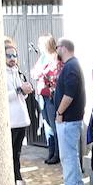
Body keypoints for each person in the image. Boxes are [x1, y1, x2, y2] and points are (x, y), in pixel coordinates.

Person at [51, 37, 86, 185]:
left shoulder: (71, 67)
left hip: (68, 119)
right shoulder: (72, 65)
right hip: (72, 119)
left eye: (57, 47)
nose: (56, 50)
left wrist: (59, 113)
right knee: (72, 154)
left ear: (63, 48)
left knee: (68, 156)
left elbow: (69, 95)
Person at [3, 37, 37, 185]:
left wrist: (24, 90)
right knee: (9, 156)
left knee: (17, 155)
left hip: (20, 119)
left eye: (14, 55)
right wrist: (18, 89)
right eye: (9, 56)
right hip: (10, 121)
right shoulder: (2, 73)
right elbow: (1, 96)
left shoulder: (17, 71)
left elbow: (20, 95)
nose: (12, 59)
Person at [32, 35, 61, 164]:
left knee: (54, 126)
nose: (38, 46)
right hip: (42, 95)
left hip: (50, 96)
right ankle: (51, 152)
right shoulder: (43, 58)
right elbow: (34, 73)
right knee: (47, 126)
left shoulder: (55, 58)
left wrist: (41, 72)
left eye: (40, 44)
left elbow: (52, 75)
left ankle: (57, 154)